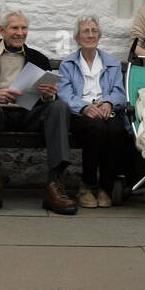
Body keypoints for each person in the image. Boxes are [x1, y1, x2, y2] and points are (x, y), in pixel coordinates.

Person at [0, 11, 75, 214]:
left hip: (28, 114)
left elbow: (46, 98)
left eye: (24, 28)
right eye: (15, 28)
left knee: (59, 106)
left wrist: (49, 95)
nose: (20, 33)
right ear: (2, 30)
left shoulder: (38, 58)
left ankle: (55, 183)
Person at [56, 15, 130, 208]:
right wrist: (84, 107)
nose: (90, 35)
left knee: (115, 130)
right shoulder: (68, 64)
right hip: (81, 114)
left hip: (107, 110)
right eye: (86, 31)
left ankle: (105, 187)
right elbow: (65, 94)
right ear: (78, 38)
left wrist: (108, 103)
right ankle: (87, 185)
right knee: (96, 129)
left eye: (94, 31)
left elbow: (119, 92)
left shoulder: (111, 63)